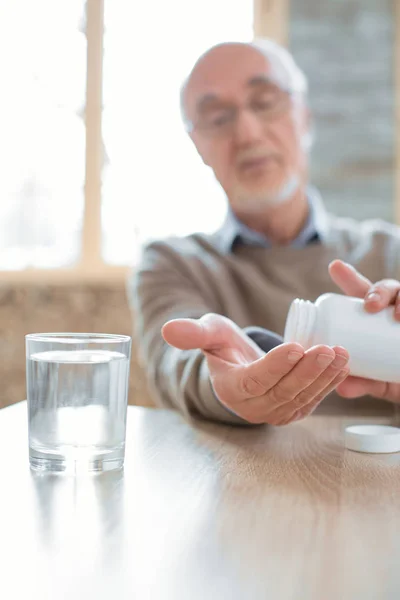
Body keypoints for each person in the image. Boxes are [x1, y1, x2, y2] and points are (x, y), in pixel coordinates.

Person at [130, 39, 400, 426]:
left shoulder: (389, 252)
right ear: (198, 146)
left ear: (305, 117)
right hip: (235, 483)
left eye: (264, 101)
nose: (248, 132)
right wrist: (223, 383)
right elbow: (175, 365)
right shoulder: (173, 262)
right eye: (218, 118)